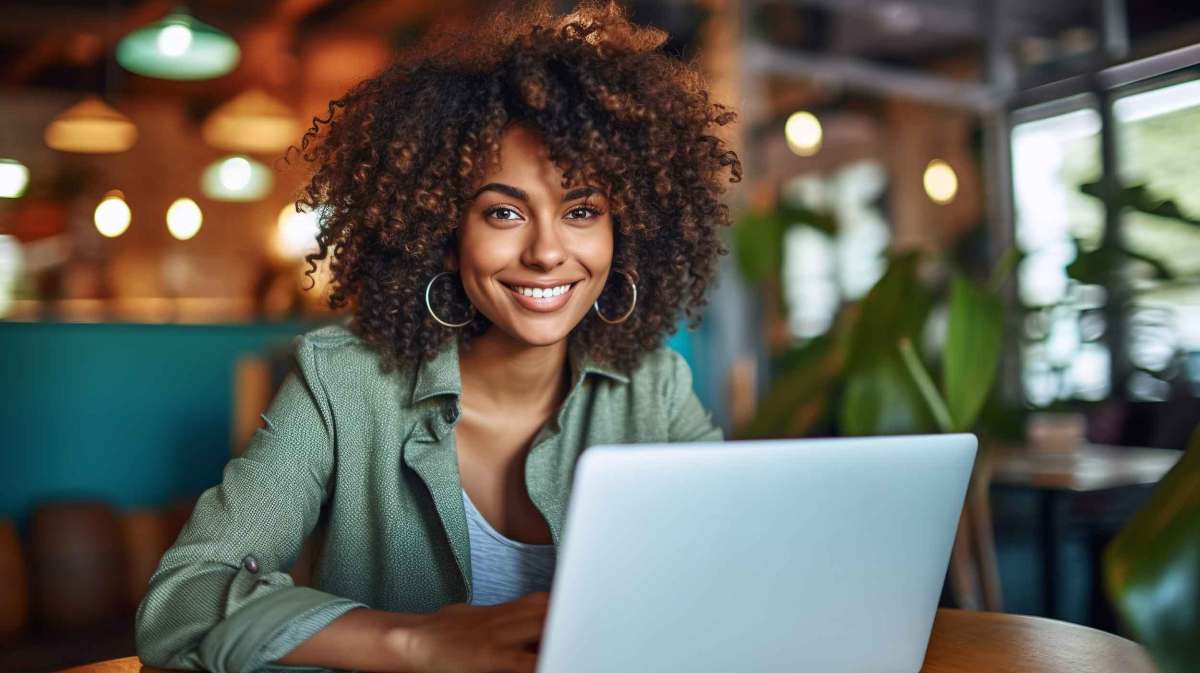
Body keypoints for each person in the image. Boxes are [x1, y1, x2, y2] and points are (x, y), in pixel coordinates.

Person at [134, 2, 741, 672]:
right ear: (446, 236)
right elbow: (181, 603)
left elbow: (736, 576)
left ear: (621, 230)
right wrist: (418, 641)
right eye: (504, 211)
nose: (546, 252)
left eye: (582, 210)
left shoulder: (653, 388)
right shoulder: (343, 381)